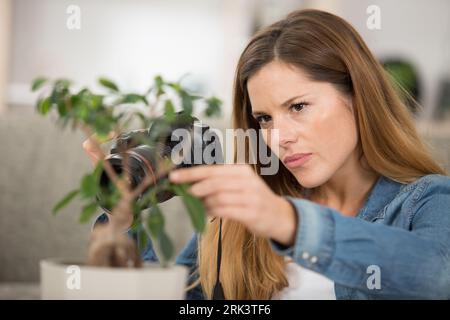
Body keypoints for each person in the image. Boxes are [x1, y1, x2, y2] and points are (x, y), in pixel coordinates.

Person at [84, 9, 450, 299]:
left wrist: (288, 222)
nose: (278, 138)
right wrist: (122, 222)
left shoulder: (424, 200)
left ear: (358, 96)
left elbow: (437, 279)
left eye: (298, 106)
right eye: (264, 118)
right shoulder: (245, 212)